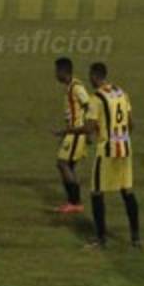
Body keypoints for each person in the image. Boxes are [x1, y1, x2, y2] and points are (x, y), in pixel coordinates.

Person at [67, 63, 140, 248]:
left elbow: (89, 128)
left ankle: (100, 239)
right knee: (127, 191)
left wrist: (68, 131)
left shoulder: (97, 98)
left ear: (94, 76)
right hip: (125, 148)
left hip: (107, 150)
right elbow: (131, 124)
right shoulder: (121, 93)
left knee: (97, 192)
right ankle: (135, 237)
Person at [52, 58, 89, 214]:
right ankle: (72, 201)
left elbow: (88, 105)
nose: (55, 74)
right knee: (69, 166)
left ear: (63, 71)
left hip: (76, 133)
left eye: (56, 71)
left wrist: (87, 129)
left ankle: (75, 202)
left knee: (63, 163)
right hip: (72, 132)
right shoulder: (70, 87)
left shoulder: (76, 87)